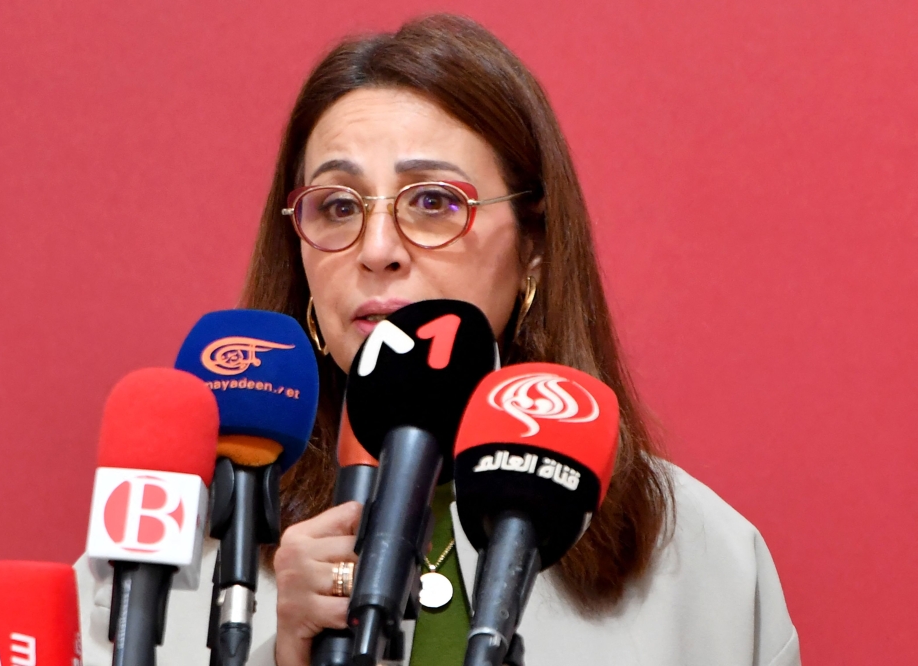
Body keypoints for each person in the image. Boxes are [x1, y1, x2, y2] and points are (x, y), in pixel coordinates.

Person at [76, 14, 800, 666]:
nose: (379, 249)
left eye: (432, 202)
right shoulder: (155, 554)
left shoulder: (705, 558)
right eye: (336, 207)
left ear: (534, 251)